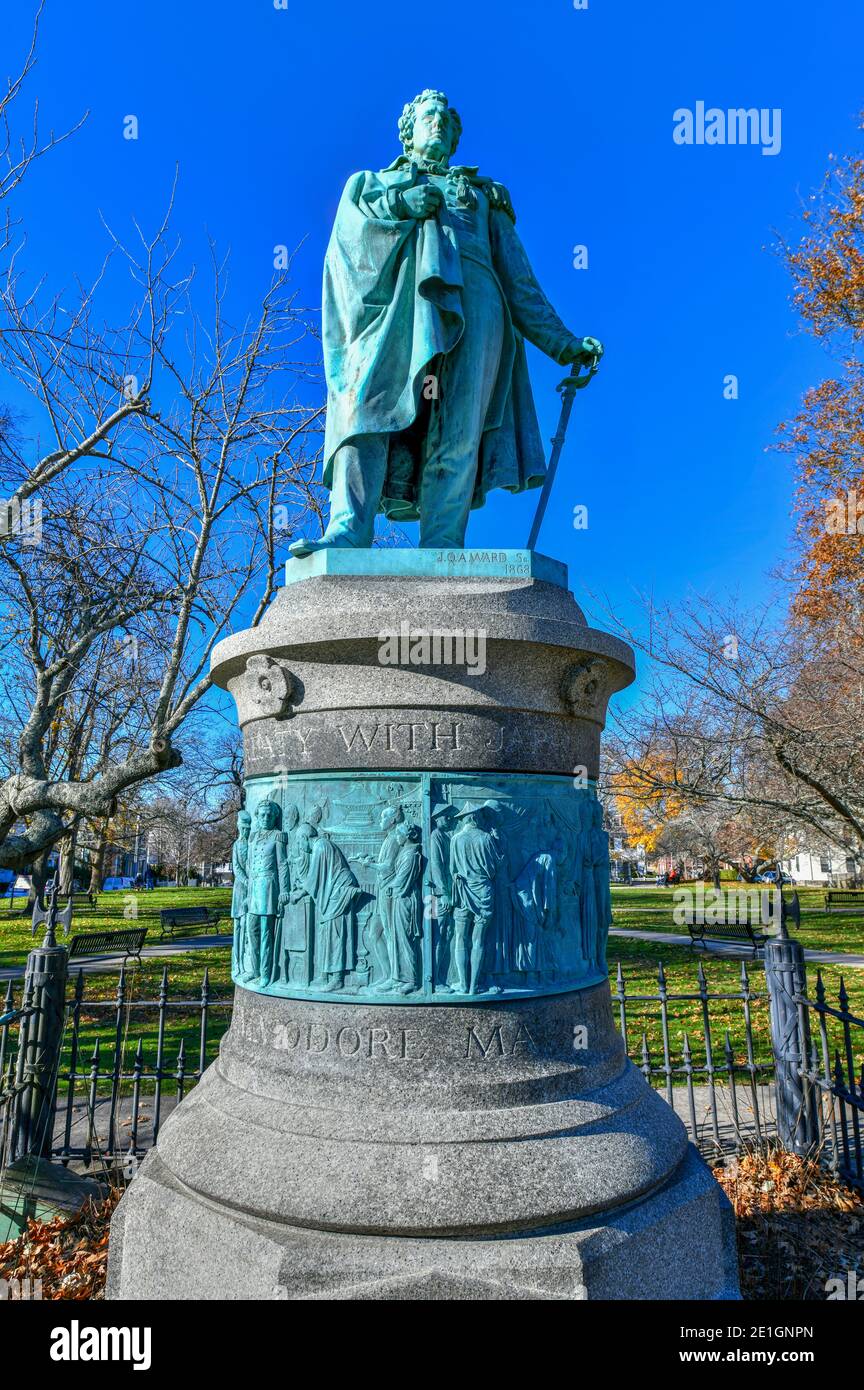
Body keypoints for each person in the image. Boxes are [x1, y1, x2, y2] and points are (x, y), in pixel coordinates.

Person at [290, 89, 602, 556]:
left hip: (477, 305)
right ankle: (348, 529)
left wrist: (563, 344)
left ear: (455, 136)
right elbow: (345, 246)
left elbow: (519, 280)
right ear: (408, 131)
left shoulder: (482, 195)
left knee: (458, 428)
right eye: (427, 117)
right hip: (395, 306)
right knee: (365, 405)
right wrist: (401, 207)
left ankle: (442, 543)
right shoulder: (370, 183)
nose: (437, 124)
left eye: (445, 120)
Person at [449, 803, 501, 994]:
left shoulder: (456, 839)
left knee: (460, 938)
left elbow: (452, 869)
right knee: (478, 940)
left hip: (463, 892)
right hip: (483, 893)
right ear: (475, 818)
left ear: (465, 819)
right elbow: (495, 869)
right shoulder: (486, 838)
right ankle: (473, 987)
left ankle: (462, 984)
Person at [380, 822, 423, 994]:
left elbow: (403, 879)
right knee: (398, 939)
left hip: (405, 900)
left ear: (406, 836)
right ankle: (398, 977)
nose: (396, 837)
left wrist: (390, 886)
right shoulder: (406, 851)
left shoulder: (411, 853)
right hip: (399, 899)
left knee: (406, 940)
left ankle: (412, 980)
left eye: (399, 834)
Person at [230, 810, 252, 981]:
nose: (245, 831)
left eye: (247, 828)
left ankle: (246, 963)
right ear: (238, 827)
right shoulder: (237, 845)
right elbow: (237, 868)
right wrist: (246, 881)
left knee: (246, 925)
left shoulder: (252, 844)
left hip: (251, 889)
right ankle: (237, 962)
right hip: (240, 889)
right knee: (238, 926)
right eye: (243, 828)